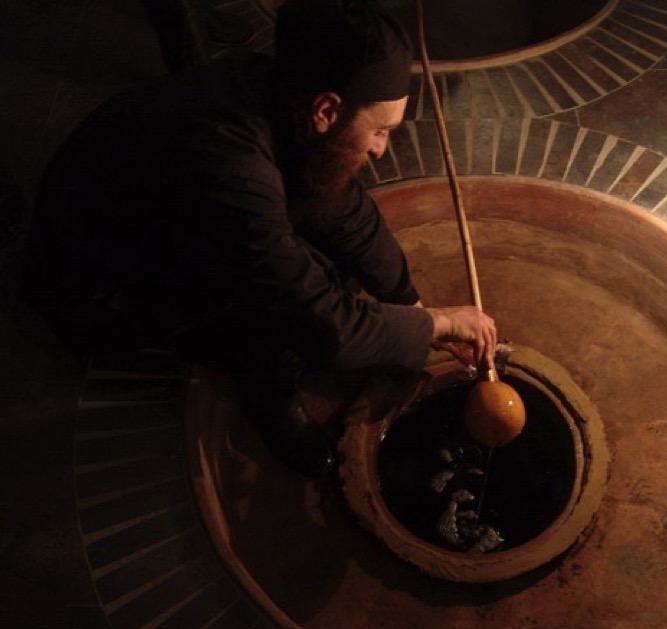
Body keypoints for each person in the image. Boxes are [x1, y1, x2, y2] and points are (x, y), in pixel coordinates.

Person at [21, 0, 498, 476]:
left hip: (168, 224)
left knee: (331, 257)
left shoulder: (275, 90)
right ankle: (269, 398)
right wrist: (435, 326)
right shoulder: (229, 169)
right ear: (327, 109)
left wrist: (408, 301)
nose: (380, 148)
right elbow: (322, 322)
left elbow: (343, 207)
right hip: (97, 291)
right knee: (279, 318)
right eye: (379, 131)